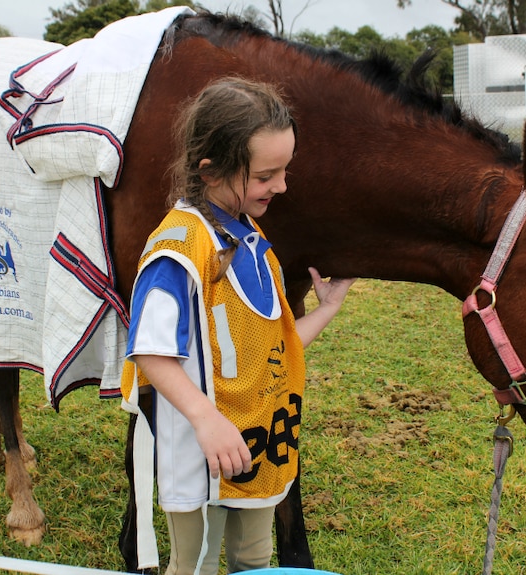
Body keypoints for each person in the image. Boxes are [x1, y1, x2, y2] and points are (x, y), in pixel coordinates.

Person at [121, 76, 355, 575]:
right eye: (267, 174)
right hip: (204, 454)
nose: (283, 186)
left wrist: (326, 310)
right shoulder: (180, 249)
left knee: (255, 560)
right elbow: (149, 352)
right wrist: (207, 421)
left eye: (285, 170)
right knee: (198, 564)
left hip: (260, 447)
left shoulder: (249, 234)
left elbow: (276, 348)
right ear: (211, 171)